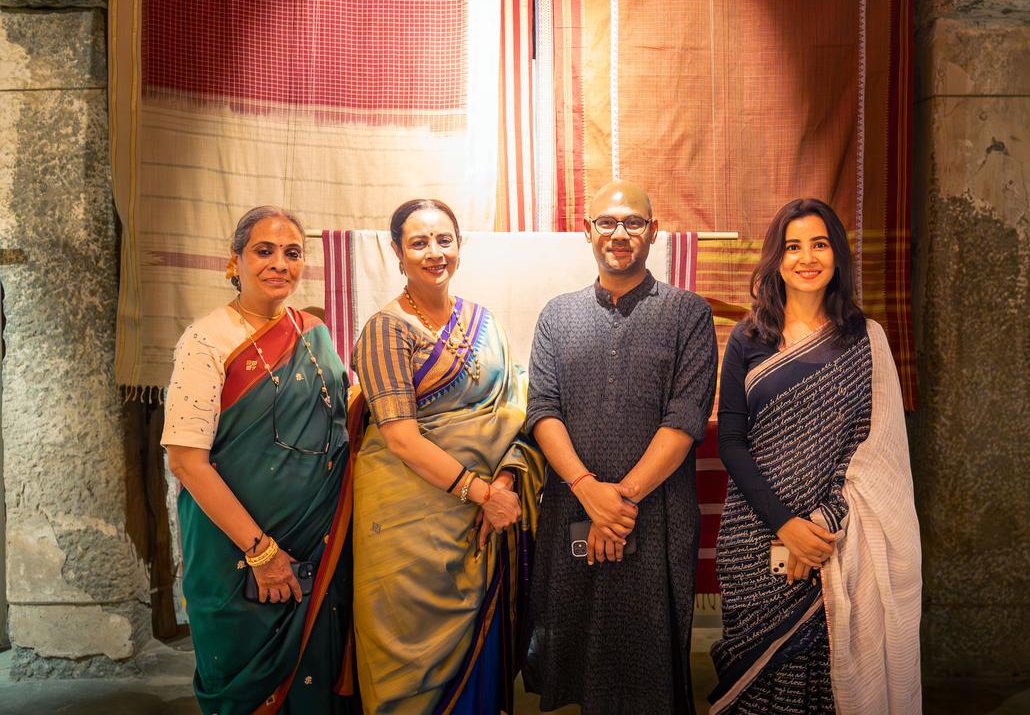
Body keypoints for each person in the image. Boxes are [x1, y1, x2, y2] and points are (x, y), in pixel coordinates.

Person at [708, 198, 922, 715]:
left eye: (819, 244)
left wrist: (819, 527)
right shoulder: (749, 337)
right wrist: (786, 525)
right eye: (793, 246)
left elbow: (876, 453)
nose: (807, 257)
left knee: (827, 686)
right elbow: (731, 441)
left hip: (837, 540)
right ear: (776, 259)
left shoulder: (865, 341)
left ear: (837, 255)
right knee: (758, 685)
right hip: (754, 535)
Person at [521, 181, 718, 715]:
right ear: (587, 232)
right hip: (572, 508)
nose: (620, 233)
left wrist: (619, 502)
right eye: (607, 222)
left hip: (654, 516)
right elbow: (543, 411)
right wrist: (590, 494)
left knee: (648, 662)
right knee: (578, 652)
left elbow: (685, 417)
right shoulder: (557, 315)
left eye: (633, 222)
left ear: (653, 232)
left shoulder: (688, 314)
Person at [351, 199, 545, 714]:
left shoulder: (485, 323)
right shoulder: (384, 331)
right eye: (418, 242)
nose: (434, 252)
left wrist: (502, 484)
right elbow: (400, 439)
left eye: (444, 240)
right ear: (397, 252)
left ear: (459, 245)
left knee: (479, 650)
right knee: (406, 663)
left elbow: (516, 408)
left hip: (482, 518)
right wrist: (480, 491)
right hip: (405, 529)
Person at [162, 205, 354, 714]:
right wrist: (261, 552)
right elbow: (186, 461)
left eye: (292, 253)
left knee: (319, 678)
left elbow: (338, 416)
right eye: (263, 251)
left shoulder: (312, 330)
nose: (279, 264)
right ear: (235, 262)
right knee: (245, 688)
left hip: (318, 539)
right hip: (235, 553)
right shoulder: (205, 340)